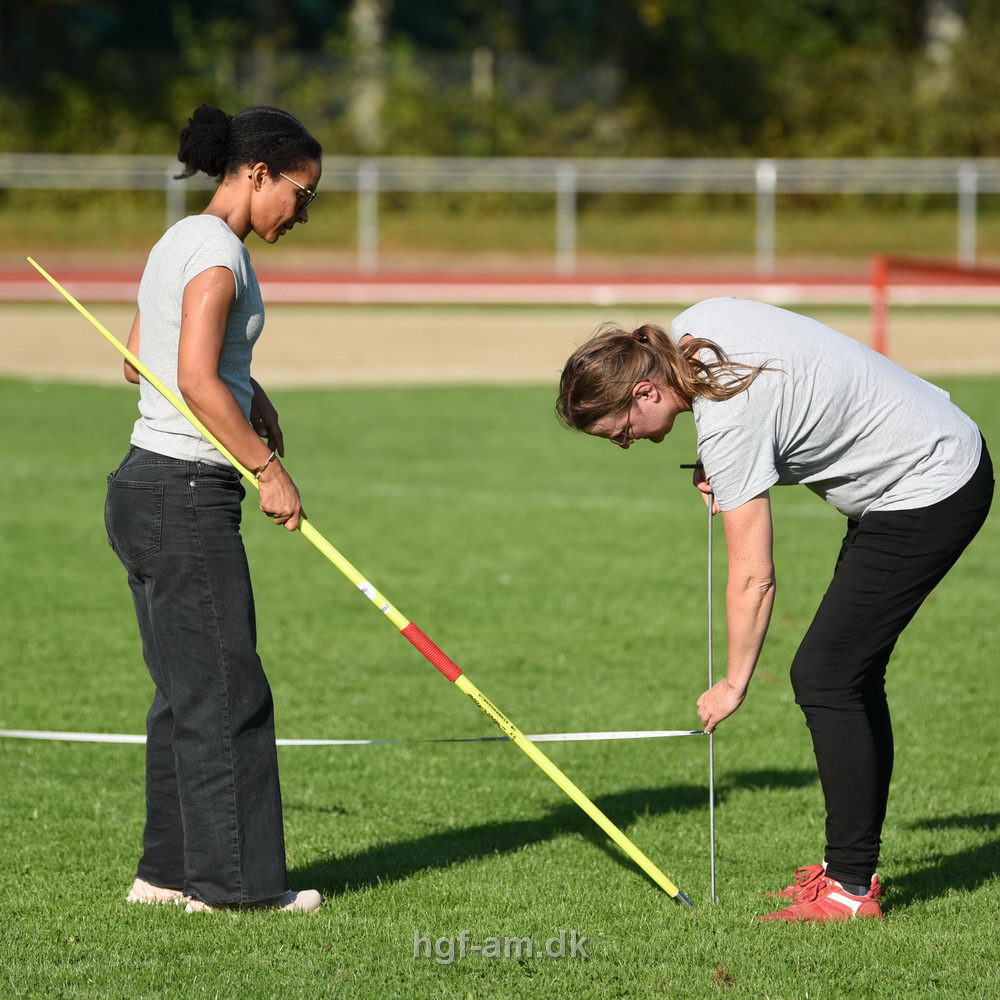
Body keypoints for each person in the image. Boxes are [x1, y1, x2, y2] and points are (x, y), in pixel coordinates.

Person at [556, 296, 993, 922]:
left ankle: (847, 892)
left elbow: (755, 577)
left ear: (646, 391)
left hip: (930, 484)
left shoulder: (727, 422)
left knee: (826, 677)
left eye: (620, 432)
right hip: (923, 458)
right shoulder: (698, 324)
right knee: (846, 676)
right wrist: (735, 462)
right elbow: (792, 397)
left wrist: (734, 683)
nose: (626, 445)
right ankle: (848, 872)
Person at [105, 104, 324, 913]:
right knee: (229, 694)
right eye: (303, 194)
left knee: (185, 695)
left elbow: (140, 358)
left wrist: (246, 386)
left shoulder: (179, 241)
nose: (303, 213)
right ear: (259, 174)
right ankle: (235, 889)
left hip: (142, 489)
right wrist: (267, 468)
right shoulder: (219, 253)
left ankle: (166, 876)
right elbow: (190, 379)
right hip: (186, 493)